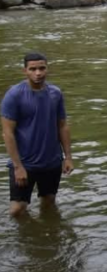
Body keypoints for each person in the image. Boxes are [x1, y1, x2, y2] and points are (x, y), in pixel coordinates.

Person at [2, 52, 74, 217]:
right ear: (25, 71)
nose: (38, 73)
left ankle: (45, 237)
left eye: (42, 68)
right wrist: (18, 167)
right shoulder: (14, 95)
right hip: (25, 163)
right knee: (17, 210)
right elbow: (8, 133)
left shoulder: (55, 93)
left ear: (47, 69)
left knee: (48, 202)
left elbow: (62, 126)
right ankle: (24, 240)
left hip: (51, 161)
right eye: (33, 69)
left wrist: (68, 157)